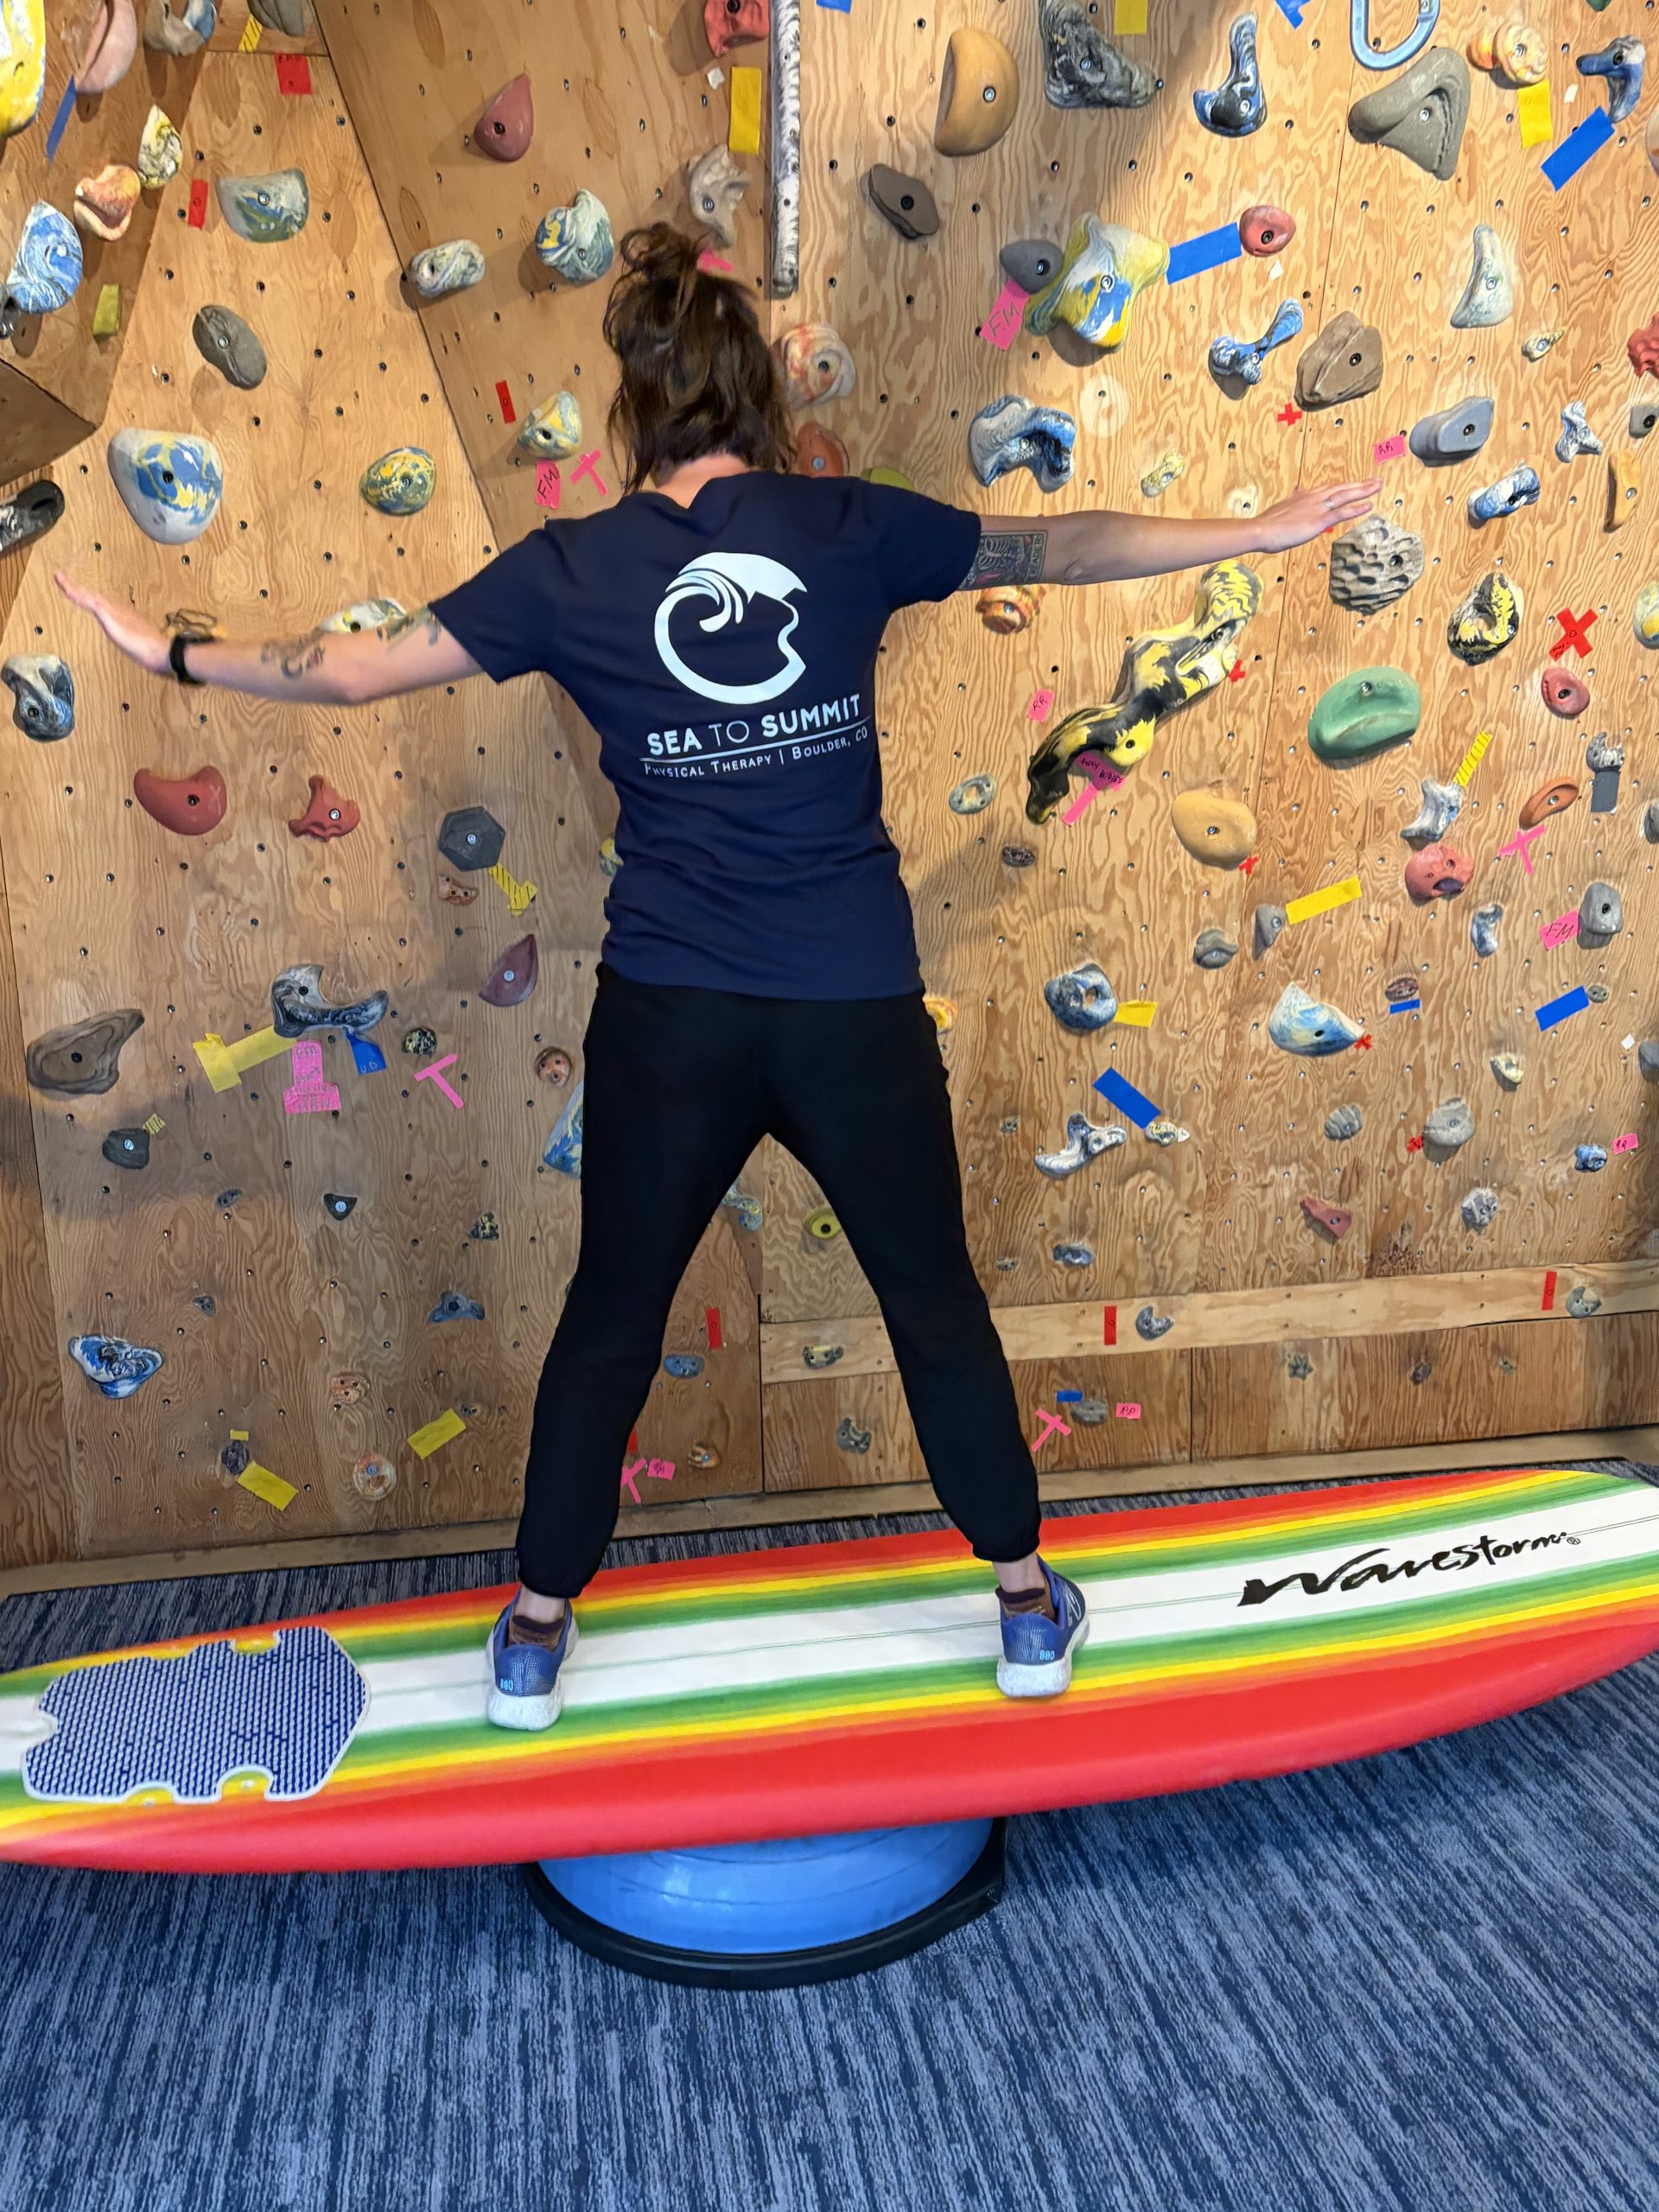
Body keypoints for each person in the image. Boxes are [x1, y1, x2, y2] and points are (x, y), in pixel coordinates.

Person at [58, 223, 1380, 1732]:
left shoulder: (569, 567)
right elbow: (1062, 542)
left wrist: (167, 650)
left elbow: (345, 669)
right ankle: (1023, 1606)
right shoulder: (843, 525)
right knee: (931, 1306)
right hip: (849, 1013)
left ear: (630, 411)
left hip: (671, 1018)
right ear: (756, 400)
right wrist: (1254, 529)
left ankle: (537, 1636)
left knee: (611, 1316)